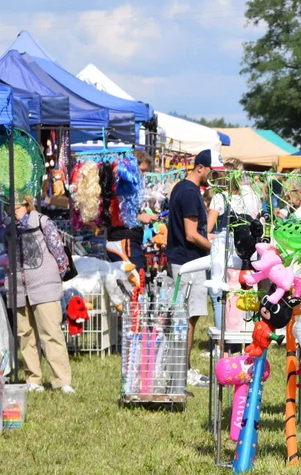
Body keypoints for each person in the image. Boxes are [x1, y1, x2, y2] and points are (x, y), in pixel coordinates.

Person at [8, 196, 73, 393]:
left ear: (27, 205)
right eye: (10, 206)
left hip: (44, 283)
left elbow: (58, 250)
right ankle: (33, 379)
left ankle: (61, 380)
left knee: (51, 332)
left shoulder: (43, 222)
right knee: (24, 334)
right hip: (19, 286)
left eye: (17, 206)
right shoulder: (9, 229)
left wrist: (58, 274)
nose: (13, 210)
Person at [167, 150, 213, 386]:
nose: (213, 175)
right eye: (212, 170)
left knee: (185, 318)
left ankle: (181, 368)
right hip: (188, 262)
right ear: (201, 168)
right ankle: (182, 371)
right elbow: (191, 234)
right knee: (186, 319)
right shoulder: (189, 193)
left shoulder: (182, 188)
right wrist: (214, 247)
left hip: (183, 260)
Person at [106, 150, 158, 278]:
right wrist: (140, 217)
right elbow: (115, 215)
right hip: (124, 241)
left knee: (135, 279)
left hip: (130, 240)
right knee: (135, 279)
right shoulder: (122, 186)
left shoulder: (131, 187)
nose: (144, 174)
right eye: (142, 170)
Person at [207, 157, 262, 234]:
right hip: (245, 241)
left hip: (224, 242)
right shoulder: (249, 193)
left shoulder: (219, 197)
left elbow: (207, 229)